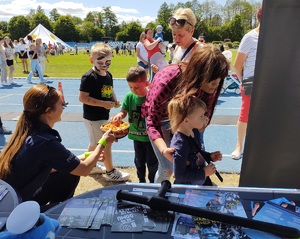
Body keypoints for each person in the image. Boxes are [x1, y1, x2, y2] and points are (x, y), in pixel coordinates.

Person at [0, 84, 116, 211]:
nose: (63, 108)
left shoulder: (30, 131)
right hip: (13, 209)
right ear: (48, 111)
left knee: (70, 173)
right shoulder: (44, 142)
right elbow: (84, 170)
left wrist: (86, 156)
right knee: (74, 204)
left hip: (9, 199)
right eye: (61, 104)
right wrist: (103, 142)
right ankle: (55, 213)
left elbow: (54, 164)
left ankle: (52, 210)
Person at [142, 44, 229, 183]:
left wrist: (200, 154)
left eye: (219, 81)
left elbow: (202, 121)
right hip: (163, 119)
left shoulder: (211, 86)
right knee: (168, 168)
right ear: (198, 74)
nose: (216, 86)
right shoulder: (167, 79)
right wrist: (164, 150)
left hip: (191, 119)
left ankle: (192, 196)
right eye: (212, 81)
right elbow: (152, 122)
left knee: (195, 163)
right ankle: (159, 196)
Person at [79, 43, 129, 181]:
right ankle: (110, 171)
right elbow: (83, 98)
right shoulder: (89, 77)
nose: (105, 65)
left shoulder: (108, 75)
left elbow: (110, 89)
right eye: (100, 62)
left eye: (108, 62)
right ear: (92, 60)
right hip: (93, 117)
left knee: (94, 143)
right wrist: (104, 104)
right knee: (105, 144)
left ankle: (91, 165)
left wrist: (114, 99)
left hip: (102, 116)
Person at [112, 66, 158, 183]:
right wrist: (119, 115)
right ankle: (141, 180)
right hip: (136, 137)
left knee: (152, 163)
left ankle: (152, 183)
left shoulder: (152, 96)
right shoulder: (129, 96)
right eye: (130, 87)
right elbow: (124, 111)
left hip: (151, 139)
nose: (133, 90)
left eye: (136, 87)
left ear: (146, 83)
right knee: (139, 161)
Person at [168, 94, 221, 185]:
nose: (205, 118)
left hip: (200, 181)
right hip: (188, 188)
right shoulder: (180, 145)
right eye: (201, 116)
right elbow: (180, 175)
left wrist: (209, 156)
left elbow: (196, 153)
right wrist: (204, 172)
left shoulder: (194, 132)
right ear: (186, 120)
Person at [231, 6, 262, 160]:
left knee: (266, 115)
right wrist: (243, 82)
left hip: (268, 84)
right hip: (251, 83)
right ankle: (239, 146)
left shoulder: (275, 38)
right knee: (245, 115)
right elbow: (237, 65)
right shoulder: (250, 37)